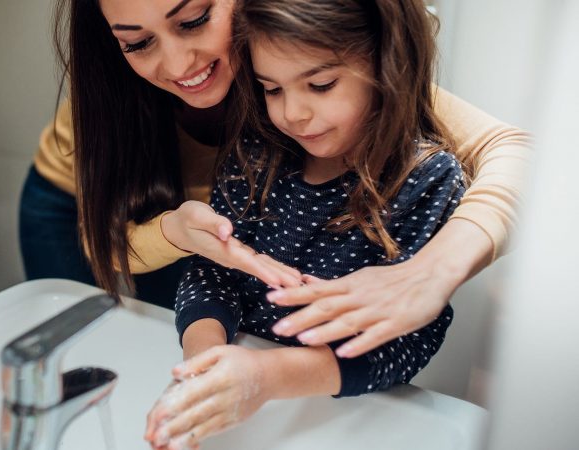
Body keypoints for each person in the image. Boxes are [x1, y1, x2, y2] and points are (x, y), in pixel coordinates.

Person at [19, 0, 528, 344]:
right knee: (119, 347)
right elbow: (101, 247)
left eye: (194, 19)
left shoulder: (304, 64)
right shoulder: (112, 100)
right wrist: (173, 233)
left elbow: (516, 152)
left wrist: (433, 270)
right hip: (90, 212)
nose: (177, 64)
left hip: (208, 232)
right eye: (136, 43)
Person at [144, 1, 469, 448]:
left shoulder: (426, 179)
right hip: (243, 392)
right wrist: (204, 363)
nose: (291, 113)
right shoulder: (255, 155)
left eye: (319, 84)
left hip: (347, 412)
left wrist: (265, 377)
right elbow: (214, 273)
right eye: (271, 89)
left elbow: (406, 340)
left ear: (387, 64)